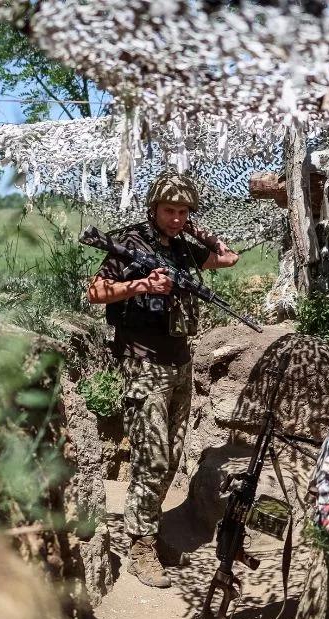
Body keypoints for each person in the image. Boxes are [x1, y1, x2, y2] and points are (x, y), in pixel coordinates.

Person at [86, 171, 240, 588]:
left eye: (183, 212)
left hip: (180, 362)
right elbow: (95, 292)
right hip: (143, 363)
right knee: (151, 458)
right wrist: (138, 285)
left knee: (170, 456)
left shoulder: (185, 248)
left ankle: (150, 534)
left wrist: (198, 231)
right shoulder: (129, 243)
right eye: (170, 210)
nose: (176, 218)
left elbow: (229, 257)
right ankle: (139, 546)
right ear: (153, 208)